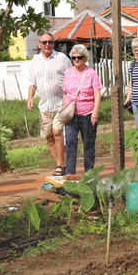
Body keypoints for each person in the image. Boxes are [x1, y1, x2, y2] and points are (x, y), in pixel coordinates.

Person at [26, 32, 70, 175]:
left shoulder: (62, 58)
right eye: (44, 42)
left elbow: (70, 78)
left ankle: (60, 165)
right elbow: (32, 82)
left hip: (59, 105)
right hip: (44, 106)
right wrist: (30, 98)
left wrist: (68, 99)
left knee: (57, 132)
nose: (47, 45)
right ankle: (60, 165)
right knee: (49, 136)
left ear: (53, 44)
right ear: (39, 44)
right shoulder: (35, 61)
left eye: (50, 42)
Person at [60, 45, 103, 176]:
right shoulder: (68, 73)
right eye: (74, 58)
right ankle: (70, 172)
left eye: (80, 57)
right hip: (71, 114)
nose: (77, 60)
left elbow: (97, 94)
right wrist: (63, 110)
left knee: (88, 143)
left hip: (87, 114)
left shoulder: (91, 73)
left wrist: (95, 111)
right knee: (71, 141)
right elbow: (66, 93)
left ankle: (89, 173)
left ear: (85, 58)